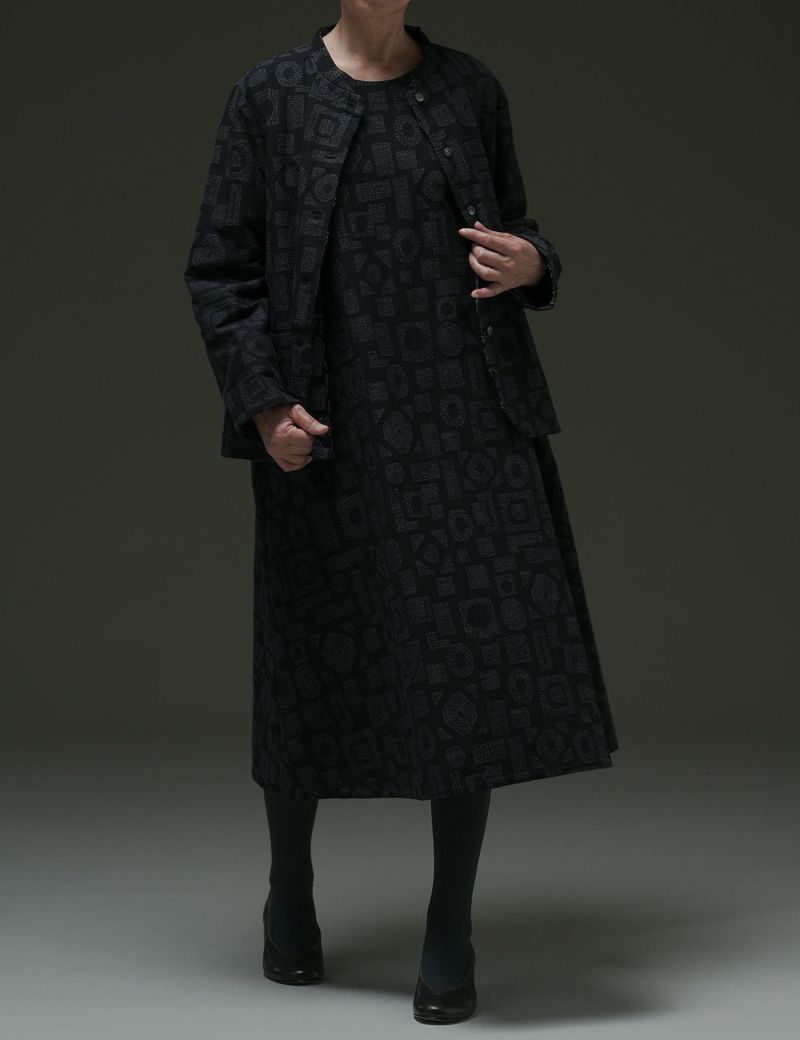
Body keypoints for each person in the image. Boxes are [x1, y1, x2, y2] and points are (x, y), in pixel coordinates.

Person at [183, 1, 619, 1024]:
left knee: (464, 666)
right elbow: (220, 268)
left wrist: (536, 264)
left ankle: (448, 925)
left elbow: (518, 228)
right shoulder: (269, 96)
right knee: (307, 662)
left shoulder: (469, 88)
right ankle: (290, 890)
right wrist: (262, 403)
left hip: (464, 420)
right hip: (327, 423)